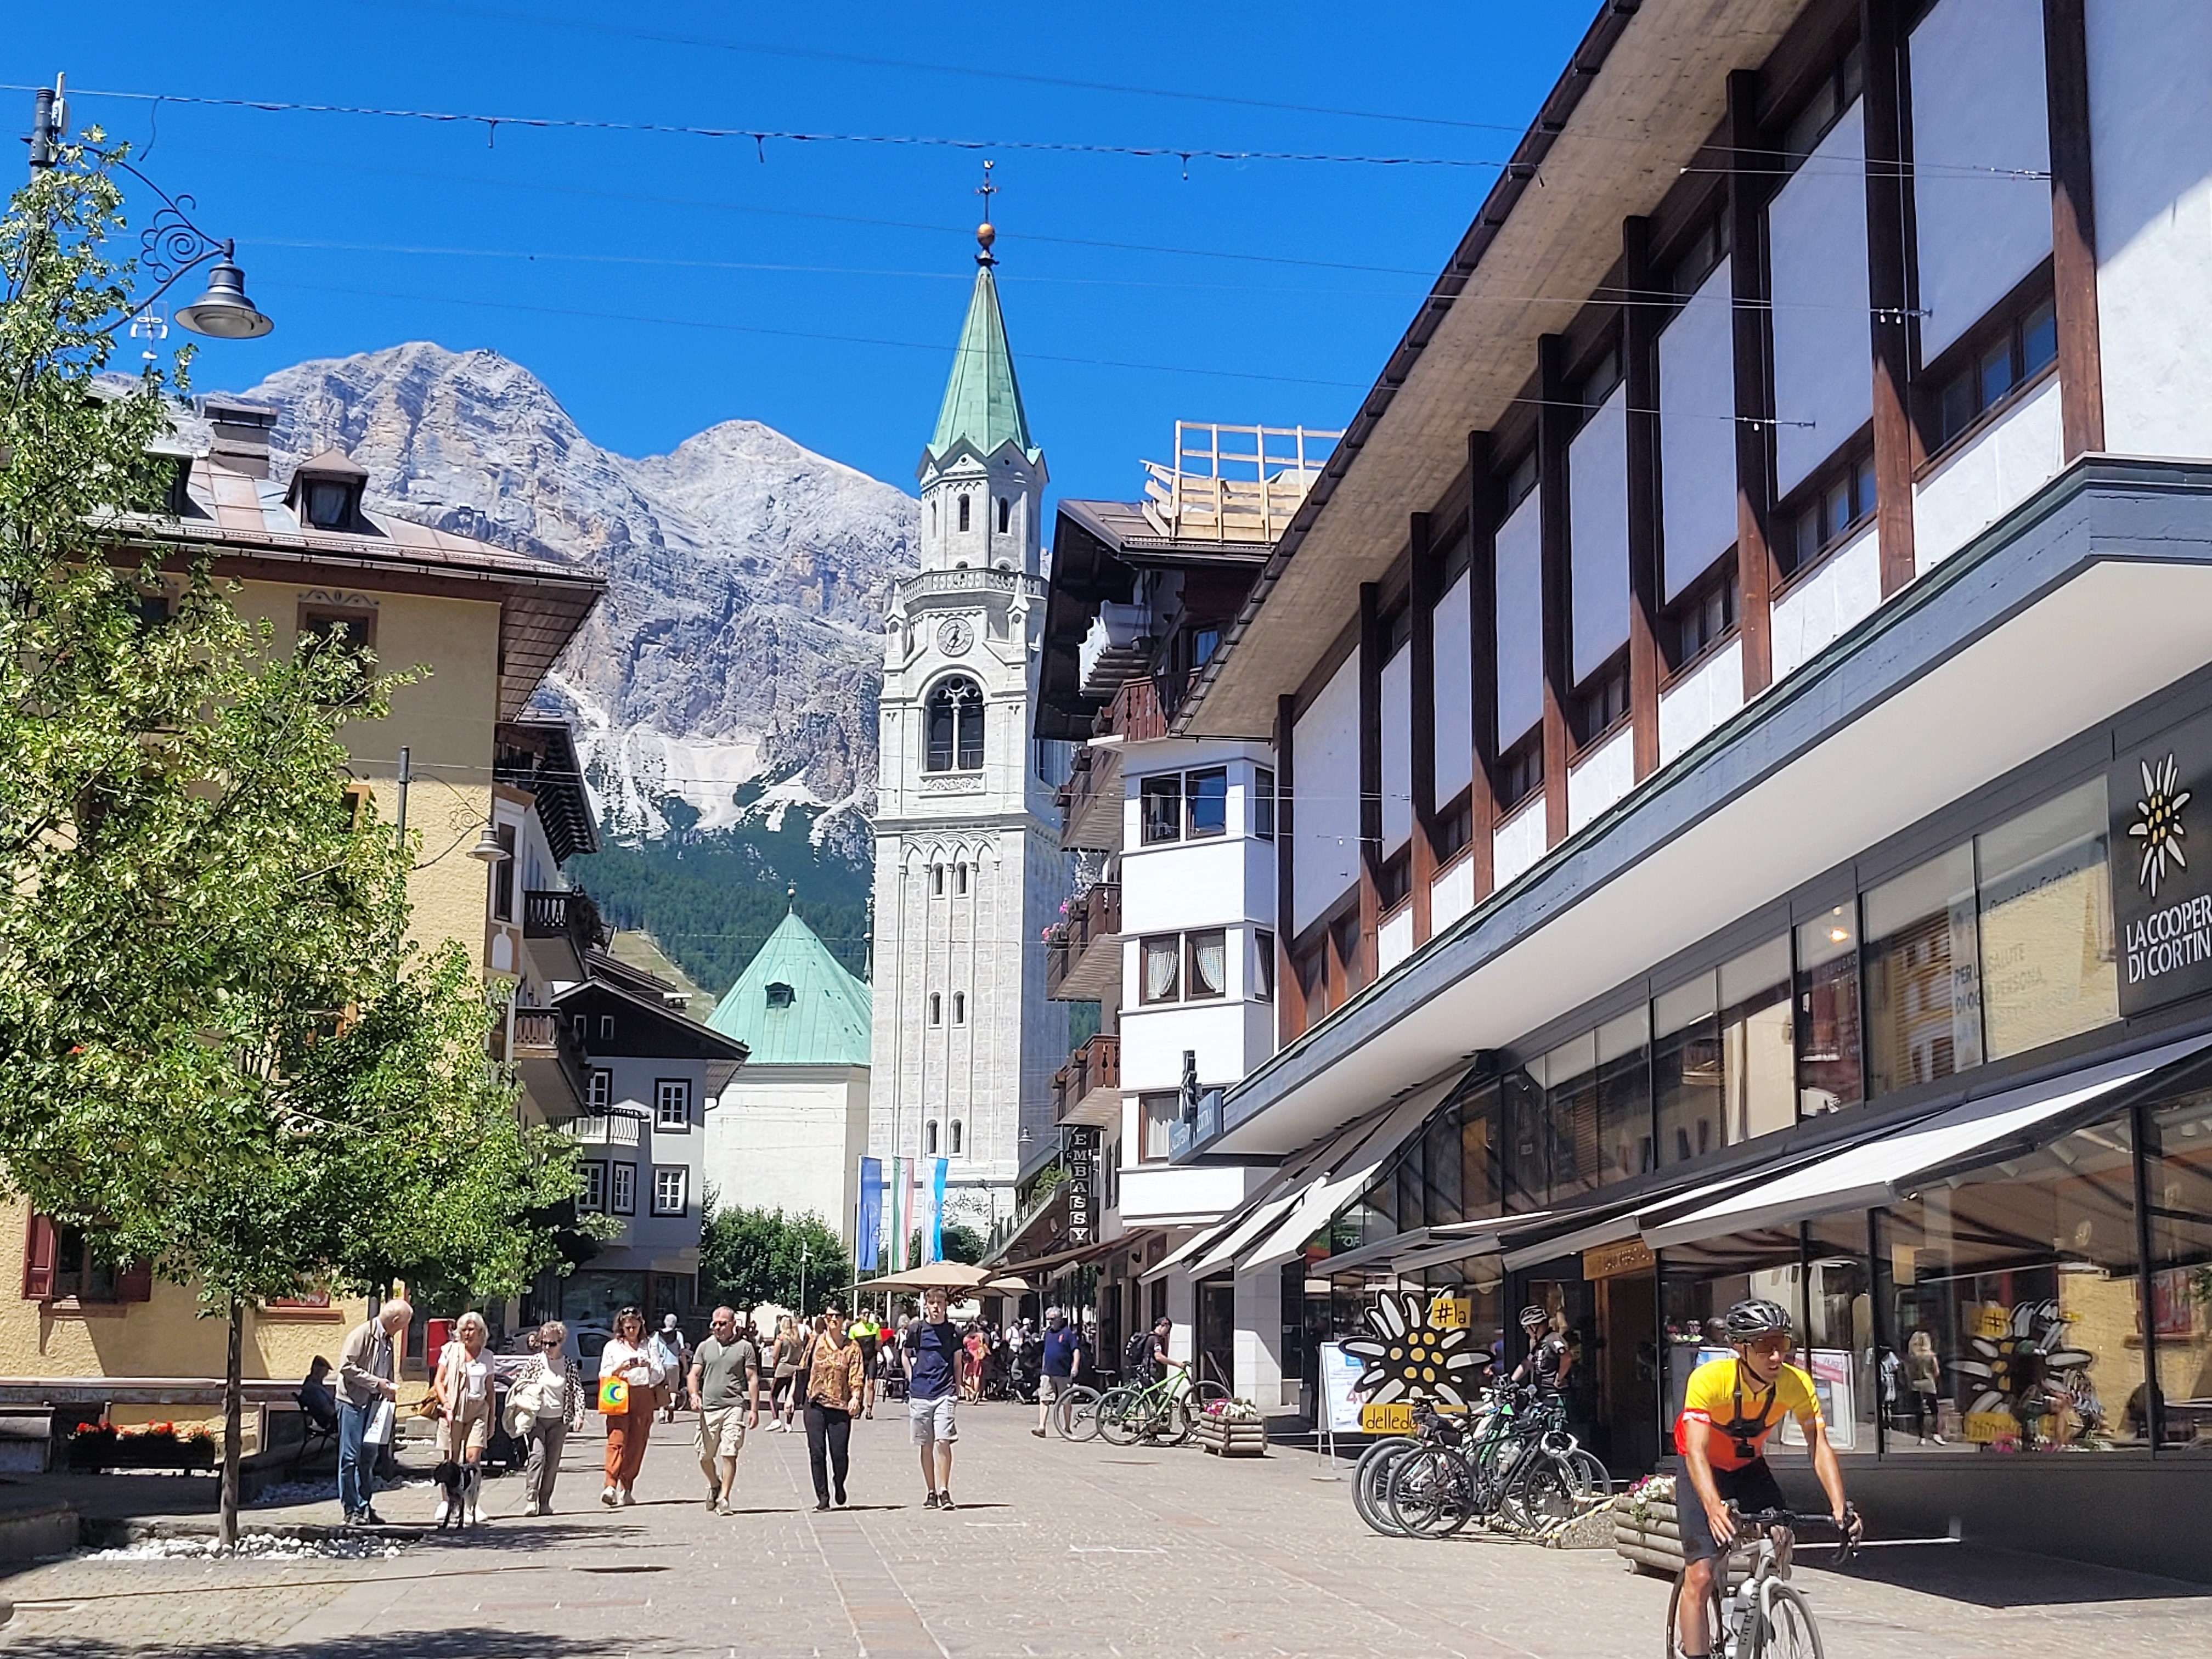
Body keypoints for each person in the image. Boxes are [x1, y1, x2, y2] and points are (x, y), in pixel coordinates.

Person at [1674, 1299, 1860, 1659]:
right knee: (1699, 1576)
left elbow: (1818, 1445)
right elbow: (1695, 1450)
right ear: (1739, 1347)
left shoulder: (1797, 1384)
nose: (1776, 1356)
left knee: (1780, 1534)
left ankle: (1753, 1603)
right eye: (1764, 1346)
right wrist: (1712, 1508)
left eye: (1782, 1344)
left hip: (1748, 1468)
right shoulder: (1710, 1380)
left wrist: (1840, 1507)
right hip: (1704, 1469)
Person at [335, 1300, 410, 1526]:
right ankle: (350, 1509)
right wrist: (377, 1384)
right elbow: (347, 1367)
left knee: (368, 1457)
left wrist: (390, 1392)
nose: (404, 1329)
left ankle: (364, 1506)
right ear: (395, 1320)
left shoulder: (388, 1339)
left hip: (376, 1405)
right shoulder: (362, 1334)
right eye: (405, 1324)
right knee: (350, 1457)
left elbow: (386, 1370)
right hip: (351, 1402)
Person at [507, 1319, 585, 1517]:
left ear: (561, 1342)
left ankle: (545, 1502)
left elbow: (578, 1390)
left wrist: (579, 1414)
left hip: (559, 1420)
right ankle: (531, 1499)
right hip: (537, 1418)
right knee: (537, 1457)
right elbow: (522, 1384)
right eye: (544, 1343)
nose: (548, 1348)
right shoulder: (535, 1362)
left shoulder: (567, 1364)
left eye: (552, 1344)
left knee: (553, 1462)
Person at [689, 1306, 760, 1515]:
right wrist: (694, 1396)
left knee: (730, 1452)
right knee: (704, 1455)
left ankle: (724, 1499)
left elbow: (752, 1378)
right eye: (715, 1324)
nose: (718, 1327)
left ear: (733, 1324)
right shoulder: (704, 1347)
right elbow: (693, 1374)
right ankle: (715, 1484)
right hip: (709, 1409)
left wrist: (754, 1409)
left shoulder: (745, 1347)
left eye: (723, 1323)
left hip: (733, 1406)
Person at [597, 1306, 669, 1507]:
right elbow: (604, 1374)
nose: (631, 1331)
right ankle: (610, 1485)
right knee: (616, 1438)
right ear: (621, 1326)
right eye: (627, 1327)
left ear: (641, 1326)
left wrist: (647, 1366)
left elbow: (659, 1374)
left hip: (643, 1393)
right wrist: (620, 1368)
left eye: (635, 1327)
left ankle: (627, 1486)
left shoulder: (649, 1345)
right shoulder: (612, 1347)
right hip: (619, 1392)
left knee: (638, 1442)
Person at [432, 1311, 498, 1525]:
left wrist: (492, 1418)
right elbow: (439, 1381)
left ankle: (472, 1504)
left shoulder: (487, 1356)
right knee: (451, 1460)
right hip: (453, 1409)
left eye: (472, 1329)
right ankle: (447, 1502)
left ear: (481, 1332)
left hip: (478, 1410)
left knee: (472, 1460)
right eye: (464, 1329)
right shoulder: (450, 1351)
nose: (467, 1333)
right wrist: (446, 1403)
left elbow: (490, 1390)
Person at [903, 1286, 963, 1510]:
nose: (936, 1306)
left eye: (940, 1301)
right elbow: (905, 1355)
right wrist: (911, 1378)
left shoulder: (954, 1332)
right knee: (925, 1444)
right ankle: (931, 1491)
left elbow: (957, 1362)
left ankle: (944, 1490)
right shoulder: (916, 1329)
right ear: (926, 1305)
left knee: (943, 1440)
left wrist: (957, 1388)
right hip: (920, 1394)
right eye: (932, 1302)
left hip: (945, 1392)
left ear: (946, 1305)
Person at [805, 1311, 866, 1511]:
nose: (833, 1319)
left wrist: (856, 1397)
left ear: (844, 1319)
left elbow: (857, 1375)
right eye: (829, 1316)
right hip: (815, 1403)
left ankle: (839, 1483)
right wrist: (790, 1397)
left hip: (840, 1406)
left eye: (837, 1316)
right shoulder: (815, 1342)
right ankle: (822, 1497)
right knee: (817, 1452)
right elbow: (803, 1369)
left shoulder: (852, 1347)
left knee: (839, 1454)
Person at [1034, 1311, 1083, 1438]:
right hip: (1048, 1372)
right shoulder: (1048, 1333)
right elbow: (1044, 1350)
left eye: (1052, 1319)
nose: (1050, 1321)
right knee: (1044, 1398)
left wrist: (1075, 1366)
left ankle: (1067, 1428)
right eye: (1048, 1319)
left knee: (1066, 1401)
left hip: (1063, 1372)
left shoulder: (1068, 1333)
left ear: (1060, 1319)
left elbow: (1076, 1350)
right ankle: (1042, 1427)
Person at [1511, 1306, 1572, 1398]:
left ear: (1534, 1327)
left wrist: (1559, 1379)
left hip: (1554, 1396)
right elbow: (1527, 1363)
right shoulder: (1539, 1344)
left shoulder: (1552, 1338)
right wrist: (1511, 1382)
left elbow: (1567, 1357)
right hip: (1541, 1395)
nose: (1527, 1332)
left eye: (1526, 1328)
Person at [1905, 1329, 1943, 1443]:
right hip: (1929, 1385)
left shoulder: (1912, 1358)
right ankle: (1935, 1432)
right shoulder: (1931, 1356)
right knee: (1934, 1410)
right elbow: (1936, 1372)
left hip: (1916, 1385)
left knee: (1919, 1411)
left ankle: (1922, 1437)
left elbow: (1908, 1372)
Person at [654, 1314, 691, 1425]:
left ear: (665, 1322)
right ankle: (672, 1403)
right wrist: (685, 1368)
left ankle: (661, 1412)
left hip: (660, 1364)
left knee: (661, 1388)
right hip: (674, 1364)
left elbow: (653, 1349)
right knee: (673, 1388)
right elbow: (682, 1352)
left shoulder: (657, 1335)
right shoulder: (678, 1334)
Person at [769, 1314, 803, 1432]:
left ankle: (776, 1419)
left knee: (773, 1395)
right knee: (790, 1397)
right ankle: (789, 1423)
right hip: (795, 1369)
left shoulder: (781, 1338)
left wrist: (774, 1365)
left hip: (782, 1368)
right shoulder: (798, 1340)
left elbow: (775, 1355)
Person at [848, 1312, 882, 1419]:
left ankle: (869, 1410)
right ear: (860, 1316)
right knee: (860, 1384)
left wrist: (880, 1352)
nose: (867, 1316)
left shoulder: (875, 1327)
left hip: (871, 1357)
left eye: (868, 1313)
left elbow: (878, 1342)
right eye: (864, 1314)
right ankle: (859, 1407)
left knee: (871, 1384)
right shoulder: (854, 1329)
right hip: (860, 1359)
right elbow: (851, 1345)